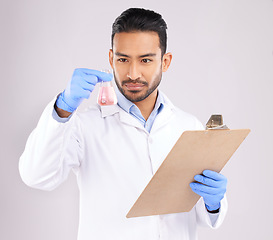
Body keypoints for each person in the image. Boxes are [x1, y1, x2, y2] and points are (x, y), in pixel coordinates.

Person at [19, 8, 228, 240]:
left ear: (165, 62)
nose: (133, 73)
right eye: (123, 59)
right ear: (111, 59)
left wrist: (213, 203)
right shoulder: (85, 125)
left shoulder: (188, 125)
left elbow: (200, 215)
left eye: (146, 60)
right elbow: (36, 176)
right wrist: (63, 108)